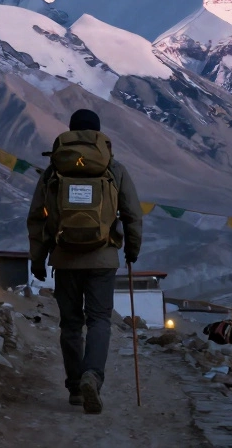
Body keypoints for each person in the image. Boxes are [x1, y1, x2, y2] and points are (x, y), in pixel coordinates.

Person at [27, 109, 144, 414]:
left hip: (64, 258)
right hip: (103, 258)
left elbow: (37, 218)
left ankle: (75, 387)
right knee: (99, 321)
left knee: (70, 324)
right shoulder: (113, 168)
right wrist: (132, 250)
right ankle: (93, 375)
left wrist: (37, 260)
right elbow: (132, 214)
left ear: (70, 132)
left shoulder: (54, 170)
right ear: (98, 134)